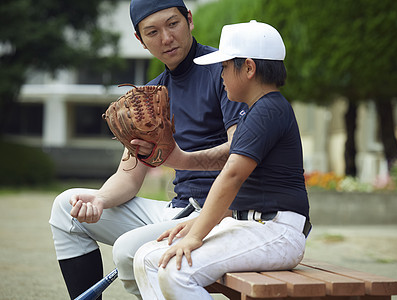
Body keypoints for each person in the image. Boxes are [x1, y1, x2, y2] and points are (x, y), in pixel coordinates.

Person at [49, 0, 246, 298]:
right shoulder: (147, 97)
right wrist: (100, 200)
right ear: (140, 40)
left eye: (173, 24)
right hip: (178, 210)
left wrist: (182, 158)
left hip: (222, 214)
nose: (166, 38)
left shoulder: (224, 71)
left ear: (189, 19)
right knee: (67, 207)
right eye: (152, 32)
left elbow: (241, 152)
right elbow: (129, 176)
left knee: (130, 251)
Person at [132, 20, 311, 300]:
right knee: (148, 259)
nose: (221, 74)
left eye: (225, 66)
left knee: (176, 269)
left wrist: (195, 236)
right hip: (252, 225)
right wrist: (203, 221)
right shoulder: (255, 111)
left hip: (277, 233)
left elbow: (231, 176)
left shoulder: (268, 110)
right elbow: (252, 191)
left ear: (249, 68)